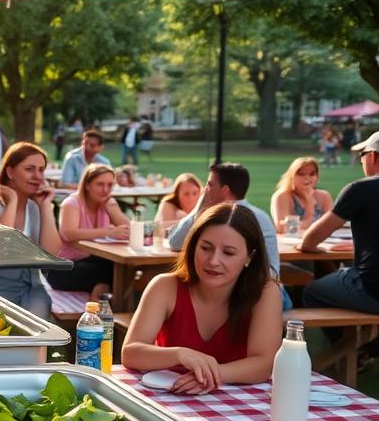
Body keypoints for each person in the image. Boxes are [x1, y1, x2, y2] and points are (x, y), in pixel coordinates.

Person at [121, 202, 283, 394]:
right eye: (206, 248)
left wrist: (210, 375)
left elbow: (263, 364)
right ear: (193, 246)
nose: (213, 261)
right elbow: (130, 353)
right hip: (169, 400)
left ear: (249, 257)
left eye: (228, 253)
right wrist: (179, 354)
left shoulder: (266, 292)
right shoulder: (164, 286)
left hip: (235, 408)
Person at [300, 130, 379, 315]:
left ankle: (346, 343)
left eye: (361, 156)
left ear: (372, 156)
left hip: (377, 293)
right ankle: (373, 336)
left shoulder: (361, 189)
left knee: (312, 291)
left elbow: (310, 241)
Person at [165, 162, 286, 309]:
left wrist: (201, 206)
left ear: (224, 190)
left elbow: (175, 242)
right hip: (261, 290)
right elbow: (175, 242)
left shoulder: (233, 219)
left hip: (260, 295)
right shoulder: (260, 215)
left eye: (209, 185)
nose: (205, 190)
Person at [0, 142, 61, 318]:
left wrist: (46, 206)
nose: (38, 176)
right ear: (10, 172)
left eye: (41, 170)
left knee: (38, 333)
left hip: (31, 286)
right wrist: (12, 201)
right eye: (30, 169)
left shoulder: (34, 207)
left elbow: (52, 253)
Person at [48, 163, 129, 300]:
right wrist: (107, 232)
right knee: (107, 273)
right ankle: (100, 310)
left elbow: (129, 230)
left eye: (110, 185)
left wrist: (113, 209)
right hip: (63, 268)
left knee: (122, 268)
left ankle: (112, 309)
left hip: (91, 261)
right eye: (100, 184)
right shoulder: (72, 203)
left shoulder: (107, 203)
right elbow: (68, 233)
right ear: (86, 185)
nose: (105, 190)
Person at [270, 157, 333, 234]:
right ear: (292, 176)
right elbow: (283, 229)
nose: (307, 178)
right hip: (291, 243)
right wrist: (309, 208)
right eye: (301, 174)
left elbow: (332, 225)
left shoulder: (324, 196)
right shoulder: (282, 196)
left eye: (312, 174)